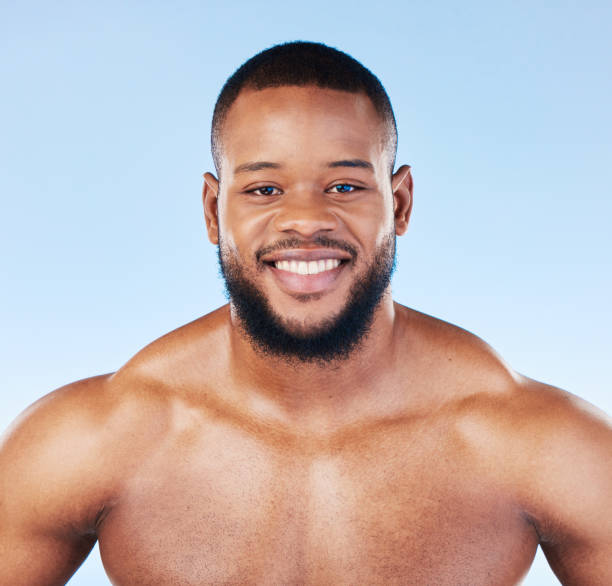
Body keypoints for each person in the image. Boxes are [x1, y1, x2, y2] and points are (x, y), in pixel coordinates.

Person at [1, 41, 611, 586]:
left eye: (344, 187)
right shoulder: (90, 442)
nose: (306, 221)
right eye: (264, 190)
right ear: (213, 211)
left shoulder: (545, 448)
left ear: (399, 203)